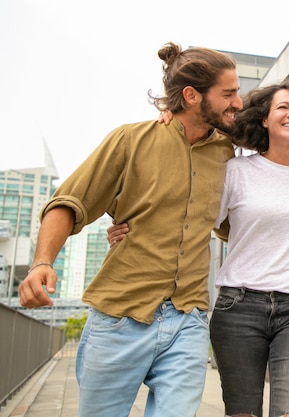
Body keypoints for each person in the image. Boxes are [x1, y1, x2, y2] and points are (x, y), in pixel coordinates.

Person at [18, 42, 243, 417]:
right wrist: (42, 263)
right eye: (229, 93)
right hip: (119, 317)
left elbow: (233, 224)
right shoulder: (131, 140)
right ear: (190, 96)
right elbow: (69, 201)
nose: (238, 102)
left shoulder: (226, 151)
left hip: (188, 318)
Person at [109, 80, 289, 417]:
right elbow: (193, 216)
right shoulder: (235, 170)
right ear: (264, 119)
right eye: (283, 107)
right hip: (239, 307)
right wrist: (134, 230)